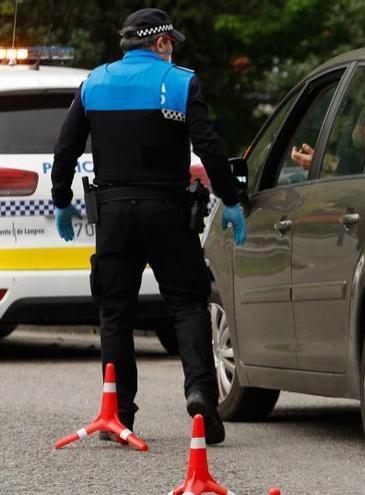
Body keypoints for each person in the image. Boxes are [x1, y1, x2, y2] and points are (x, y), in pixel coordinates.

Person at [51, 8, 247, 445]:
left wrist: (62, 200)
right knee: (188, 304)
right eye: (170, 41)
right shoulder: (180, 82)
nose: (173, 47)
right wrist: (231, 199)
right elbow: (209, 148)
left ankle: (118, 413)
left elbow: (65, 149)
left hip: (115, 214)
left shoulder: (94, 83)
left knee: (115, 311)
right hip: (169, 212)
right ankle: (201, 397)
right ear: (159, 44)